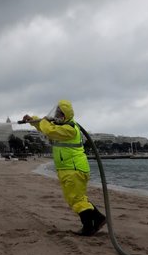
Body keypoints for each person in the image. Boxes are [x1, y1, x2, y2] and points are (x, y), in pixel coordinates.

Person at [22, 100, 107, 236]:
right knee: (78, 198)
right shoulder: (63, 125)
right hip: (70, 168)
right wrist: (33, 120)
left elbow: (49, 129)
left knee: (76, 200)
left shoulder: (69, 129)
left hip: (73, 169)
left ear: (64, 114)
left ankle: (88, 228)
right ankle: (99, 219)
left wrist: (43, 120)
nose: (55, 115)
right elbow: (46, 126)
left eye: (58, 113)